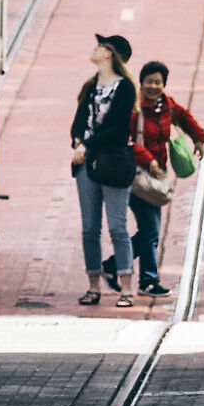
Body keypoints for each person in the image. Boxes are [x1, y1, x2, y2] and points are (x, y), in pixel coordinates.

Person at [70, 33, 140, 307]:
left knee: (117, 227)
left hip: (112, 161)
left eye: (101, 46)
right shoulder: (91, 85)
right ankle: (93, 285)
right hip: (85, 162)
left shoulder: (124, 88)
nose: (95, 49)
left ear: (110, 53)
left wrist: (86, 144)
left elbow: (118, 129)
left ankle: (126, 288)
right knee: (89, 228)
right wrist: (77, 140)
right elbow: (77, 122)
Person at [130, 61, 201, 296]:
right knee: (150, 230)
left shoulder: (166, 104)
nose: (153, 86)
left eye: (158, 82)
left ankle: (113, 265)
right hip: (136, 176)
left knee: (150, 230)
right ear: (141, 83)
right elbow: (124, 141)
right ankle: (147, 281)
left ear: (164, 85)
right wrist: (147, 159)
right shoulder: (133, 108)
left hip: (157, 176)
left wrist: (199, 138)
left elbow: (185, 117)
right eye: (149, 81)